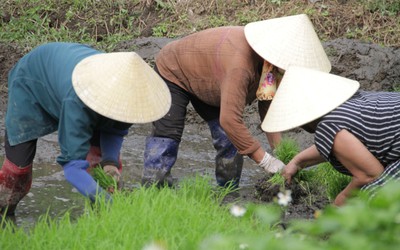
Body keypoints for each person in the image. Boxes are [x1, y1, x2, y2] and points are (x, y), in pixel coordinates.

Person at [142, 14, 331, 187]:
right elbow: (230, 120)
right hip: (174, 71)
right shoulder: (240, 66)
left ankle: (228, 192)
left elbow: (268, 109)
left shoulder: (270, 65)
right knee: (168, 135)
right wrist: (265, 160)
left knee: (229, 140)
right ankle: (153, 190)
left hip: (212, 79)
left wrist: (280, 154)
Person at [0, 42, 171, 216]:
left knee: (99, 163)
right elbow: (73, 166)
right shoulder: (78, 100)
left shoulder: (130, 95)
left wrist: (110, 162)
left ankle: (101, 218)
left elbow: (115, 130)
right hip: (32, 80)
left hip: (67, 78)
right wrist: (107, 201)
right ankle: (4, 213)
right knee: (17, 170)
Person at [262, 65, 400, 206]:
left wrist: (334, 210)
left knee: (374, 198)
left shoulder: (329, 125)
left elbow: (369, 175)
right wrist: (298, 162)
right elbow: (342, 144)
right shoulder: (345, 104)